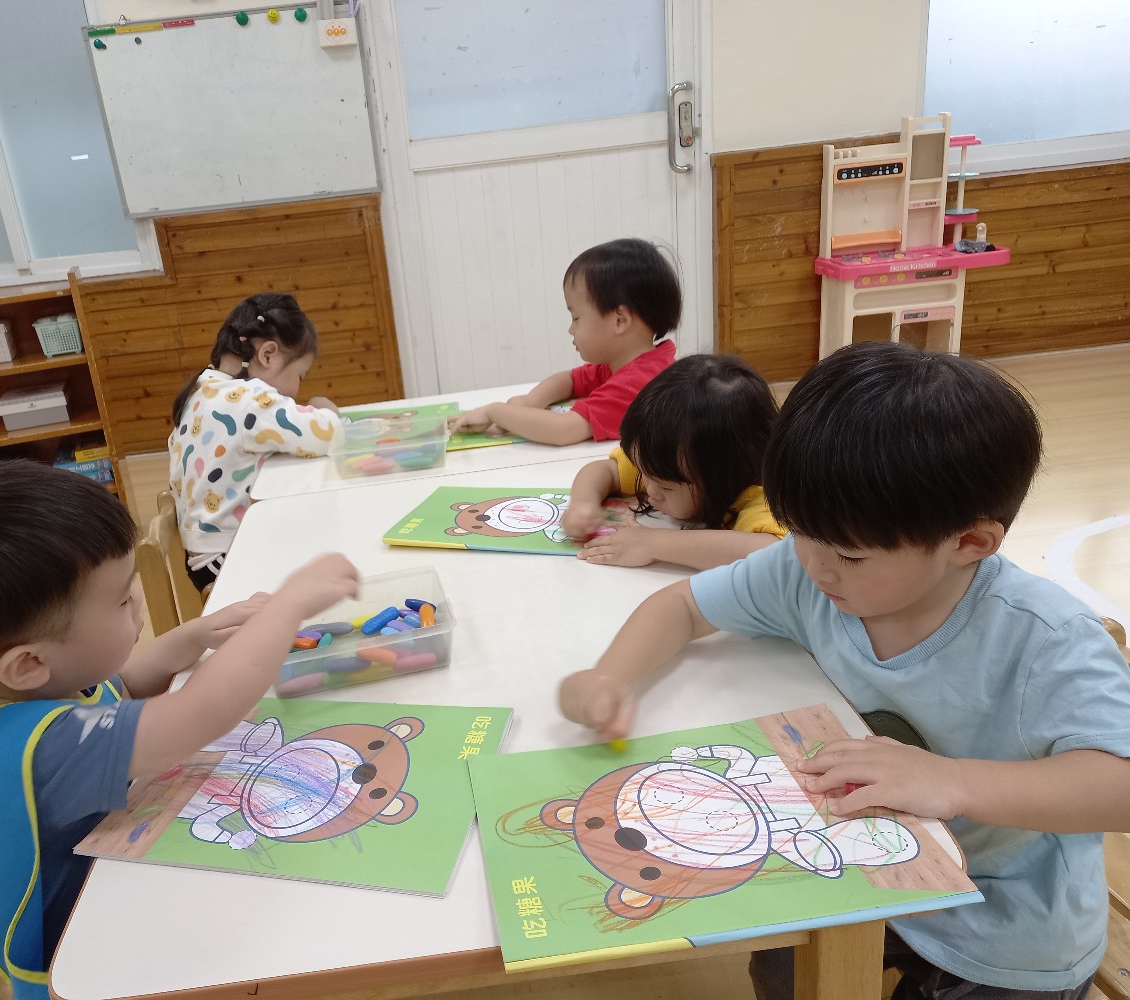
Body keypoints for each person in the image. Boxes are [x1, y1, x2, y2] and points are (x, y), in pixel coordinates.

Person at [557, 342, 1130, 999]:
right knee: (782, 963)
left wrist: (951, 781)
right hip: (868, 867)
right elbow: (683, 606)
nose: (815, 566)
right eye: (801, 533)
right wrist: (611, 678)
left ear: (969, 543)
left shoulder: (1043, 639)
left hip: (1007, 926)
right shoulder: (812, 567)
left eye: (850, 556)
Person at [0, 460, 358, 998]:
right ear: (28, 663)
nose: (138, 601)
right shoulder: (41, 748)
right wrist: (288, 607)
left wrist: (193, 636)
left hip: (109, 895)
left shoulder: (29, 693)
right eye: (122, 599)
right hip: (79, 968)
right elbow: (198, 714)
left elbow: (124, 684)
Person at [168, 292, 341, 591]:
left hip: (205, 557)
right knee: (329, 545)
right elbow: (327, 435)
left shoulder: (200, 391)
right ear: (268, 355)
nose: (297, 390)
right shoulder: (249, 400)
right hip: (229, 560)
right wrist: (325, 408)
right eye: (300, 376)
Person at [446, 238, 681, 445]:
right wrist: (531, 400)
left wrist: (494, 412)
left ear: (620, 320)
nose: (571, 329)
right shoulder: (626, 363)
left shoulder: (641, 383)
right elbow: (569, 380)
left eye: (576, 317)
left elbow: (563, 430)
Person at [560, 354, 785, 569]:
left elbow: (772, 555)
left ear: (724, 478)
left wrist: (651, 544)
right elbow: (603, 470)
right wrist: (583, 504)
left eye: (666, 487)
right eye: (643, 472)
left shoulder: (760, 497)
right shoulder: (664, 463)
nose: (650, 490)